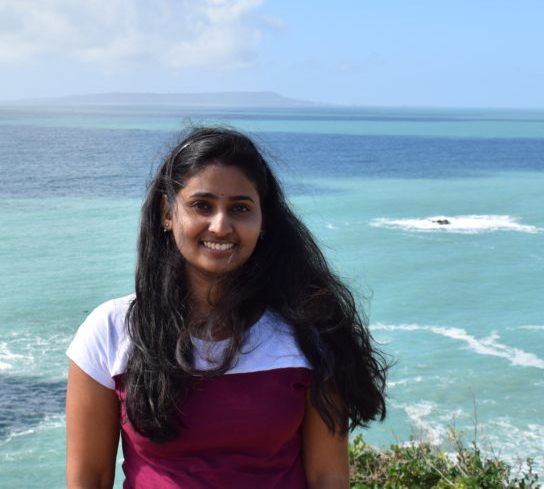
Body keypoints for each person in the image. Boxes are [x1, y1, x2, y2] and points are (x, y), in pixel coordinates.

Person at [66, 126, 388, 488]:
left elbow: (327, 477)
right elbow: (89, 479)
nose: (220, 226)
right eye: (201, 205)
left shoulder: (310, 332)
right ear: (167, 213)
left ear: (263, 220)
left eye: (240, 208)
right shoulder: (110, 330)